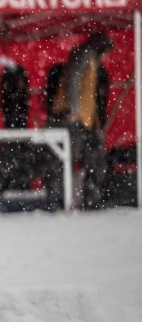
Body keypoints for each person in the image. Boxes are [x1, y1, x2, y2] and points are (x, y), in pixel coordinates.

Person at [56, 32, 113, 209]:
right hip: (75, 118)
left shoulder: (91, 61)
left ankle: (90, 200)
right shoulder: (83, 55)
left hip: (86, 119)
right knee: (69, 159)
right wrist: (73, 109)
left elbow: (91, 96)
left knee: (93, 159)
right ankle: (62, 200)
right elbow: (73, 81)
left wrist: (96, 124)